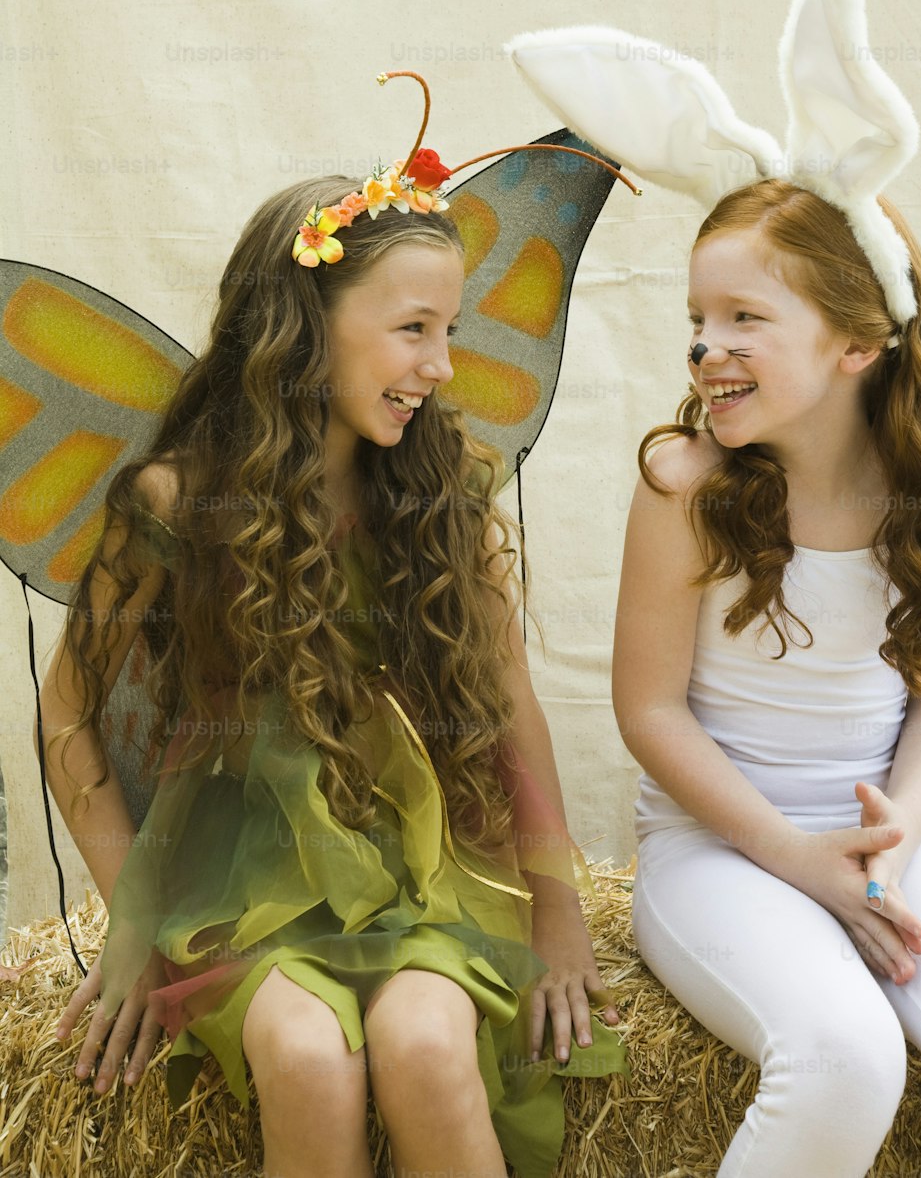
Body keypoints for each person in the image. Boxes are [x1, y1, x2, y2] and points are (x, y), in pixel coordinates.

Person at [39, 158, 623, 1178]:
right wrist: (129, 919)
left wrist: (561, 913)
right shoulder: (176, 504)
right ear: (304, 324)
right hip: (235, 881)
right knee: (307, 1059)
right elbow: (68, 715)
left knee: (429, 1046)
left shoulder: (444, 498)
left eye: (449, 330)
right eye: (413, 330)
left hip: (424, 872)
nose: (442, 364)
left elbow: (509, 701)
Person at [613, 178, 921, 1176]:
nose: (705, 347)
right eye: (697, 319)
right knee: (842, 1061)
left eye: (744, 317)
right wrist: (797, 858)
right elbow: (648, 710)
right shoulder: (683, 486)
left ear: (855, 345)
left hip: (882, 837)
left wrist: (893, 847)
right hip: (718, 849)